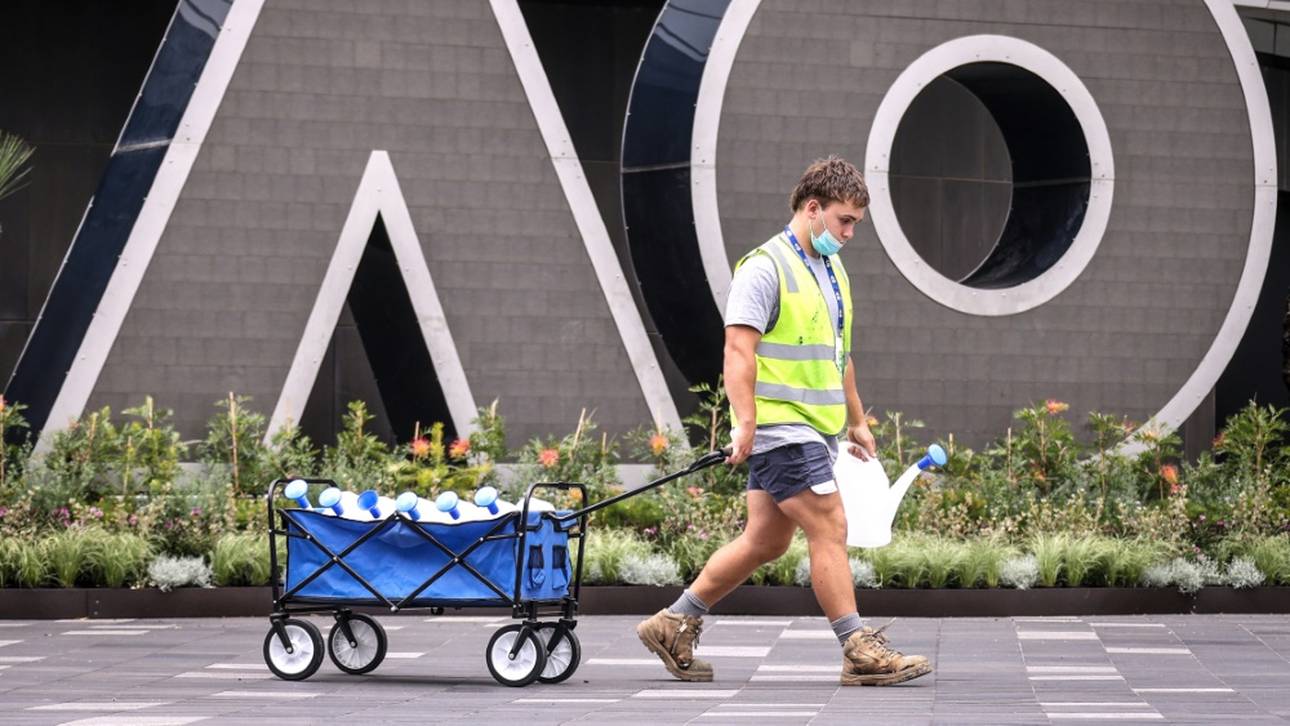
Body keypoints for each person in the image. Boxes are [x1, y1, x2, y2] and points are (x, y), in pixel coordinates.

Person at [636, 156, 931, 686]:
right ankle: (857, 648)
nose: (849, 233)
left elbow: (838, 354)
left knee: (766, 542)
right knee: (829, 524)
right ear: (812, 208)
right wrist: (745, 423)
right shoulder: (764, 268)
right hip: (781, 428)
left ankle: (674, 621)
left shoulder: (831, 269)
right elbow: (738, 351)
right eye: (844, 220)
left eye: (855, 224)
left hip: (815, 429)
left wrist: (857, 421)